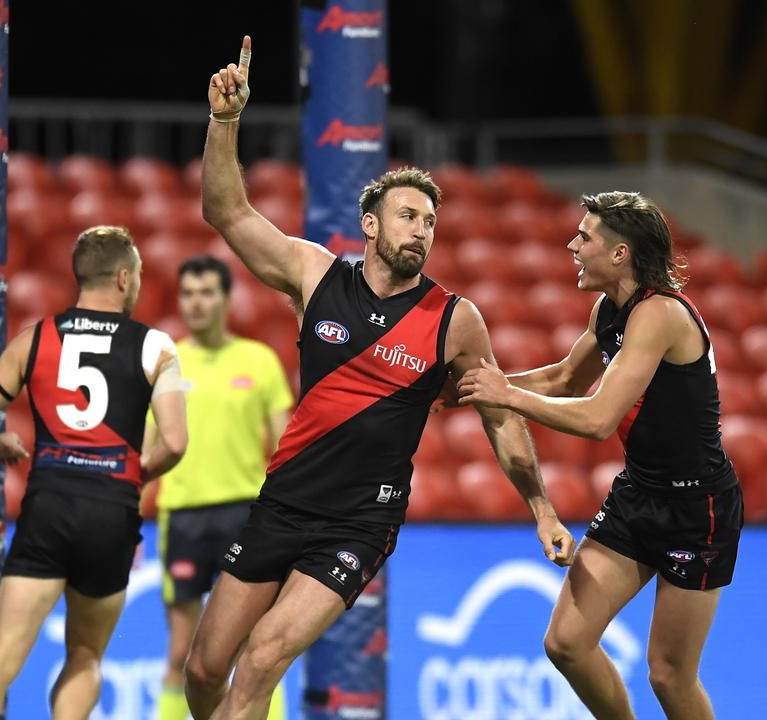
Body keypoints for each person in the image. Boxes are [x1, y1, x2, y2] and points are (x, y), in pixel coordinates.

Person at [182, 36, 575, 720]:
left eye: (429, 220)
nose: (421, 229)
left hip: (358, 522)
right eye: (407, 215)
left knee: (263, 659)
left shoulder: (455, 320)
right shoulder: (313, 274)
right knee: (206, 667)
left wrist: (540, 508)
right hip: (283, 501)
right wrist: (224, 123)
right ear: (370, 224)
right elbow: (227, 213)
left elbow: (501, 416)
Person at [458, 192, 743, 720]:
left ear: (620, 254)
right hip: (640, 495)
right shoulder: (609, 308)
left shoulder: (660, 314)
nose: (572, 244)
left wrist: (505, 395)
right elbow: (565, 378)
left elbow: (596, 419)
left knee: (669, 675)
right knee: (566, 642)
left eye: (584, 236)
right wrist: (470, 389)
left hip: (696, 510)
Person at [0, 226, 189, 720]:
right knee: (85, 655)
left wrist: (0, 444)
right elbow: (175, 441)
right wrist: (138, 473)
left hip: (49, 506)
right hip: (110, 510)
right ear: (124, 278)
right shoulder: (156, 346)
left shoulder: (34, 338)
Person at [151, 255, 293, 720]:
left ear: (227, 300)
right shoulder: (166, 363)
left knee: (259, 651)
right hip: (183, 515)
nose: (196, 302)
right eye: (188, 293)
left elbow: (287, 449)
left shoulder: (259, 361)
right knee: (180, 652)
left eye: (207, 292)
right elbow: (146, 450)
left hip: (246, 518)